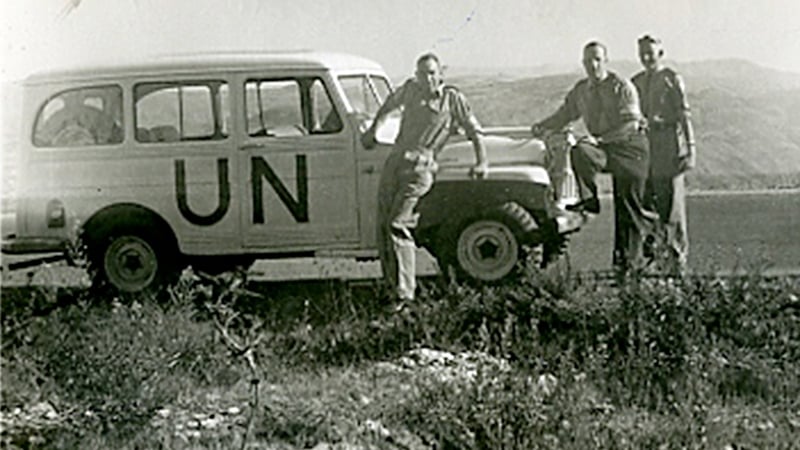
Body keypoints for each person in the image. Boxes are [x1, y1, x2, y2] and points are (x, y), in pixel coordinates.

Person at [361, 53, 488, 302]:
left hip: (421, 167)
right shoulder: (410, 90)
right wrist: (374, 130)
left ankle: (404, 294)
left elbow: (475, 131)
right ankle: (391, 286)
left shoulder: (452, 99)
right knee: (383, 225)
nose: (426, 78)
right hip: (395, 164)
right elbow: (388, 105)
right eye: (421, 73)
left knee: (398, 224)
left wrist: (482, 161)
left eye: (431, 73)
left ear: (440, 74)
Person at [531, 41, 653, 278]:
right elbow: (564, 115)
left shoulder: (621, 87)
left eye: (597, 59)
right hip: (605, 148)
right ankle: (589, 200)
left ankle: (631, 266)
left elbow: (630, 125)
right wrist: (541, 126)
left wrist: (600, 140)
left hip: (630, 149)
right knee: (581, 152)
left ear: (605, 61)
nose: (592, 65)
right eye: (588, 61)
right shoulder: (581, 90)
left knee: (628, 208)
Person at [632, 35, 696, 275]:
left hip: (668, 145)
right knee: (646, 203)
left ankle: (677, 264)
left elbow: (684, 115)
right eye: (642, 53)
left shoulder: (671, 79)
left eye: (651, 52)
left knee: (671, 207)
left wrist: (691, 148)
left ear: (661, 53)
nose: (646, 57)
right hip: (644, 148)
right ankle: (652, 260)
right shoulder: (636, 82)